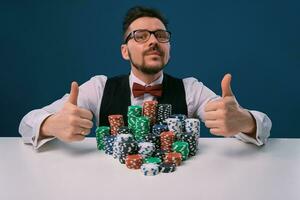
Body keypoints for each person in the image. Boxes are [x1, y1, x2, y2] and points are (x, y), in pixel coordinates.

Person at [19, 6, 272, 150]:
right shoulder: (98, 87)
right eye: (141, 35)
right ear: (125, 50)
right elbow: (26, 123)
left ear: (169, 48)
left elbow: (264, 124)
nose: (153, 41)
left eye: (161, 35)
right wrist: (51, 124)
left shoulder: (191, 89)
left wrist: (244, 121)